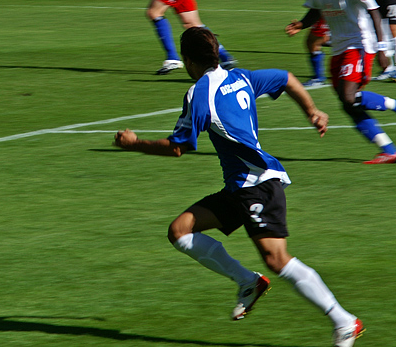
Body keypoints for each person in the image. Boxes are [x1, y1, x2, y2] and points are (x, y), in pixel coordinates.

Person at [114, 26, 364, 347]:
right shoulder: (240, 77)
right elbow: (286, 77)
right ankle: (248, 282)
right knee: (180, 231)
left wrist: (134, 144)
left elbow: (178, 147)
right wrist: (312, 110)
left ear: (188, 61)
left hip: (258, 184)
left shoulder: (199, 94)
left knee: (277, 259)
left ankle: (343, 321)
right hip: (238, 187)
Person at [287, 0, 396, 165]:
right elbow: (316, 9)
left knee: (348, 96)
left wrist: (382, 48)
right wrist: (301, 24)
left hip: (360, 43)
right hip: (338, 48)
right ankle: (388, 149)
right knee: (348, 103)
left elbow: (374, 11)